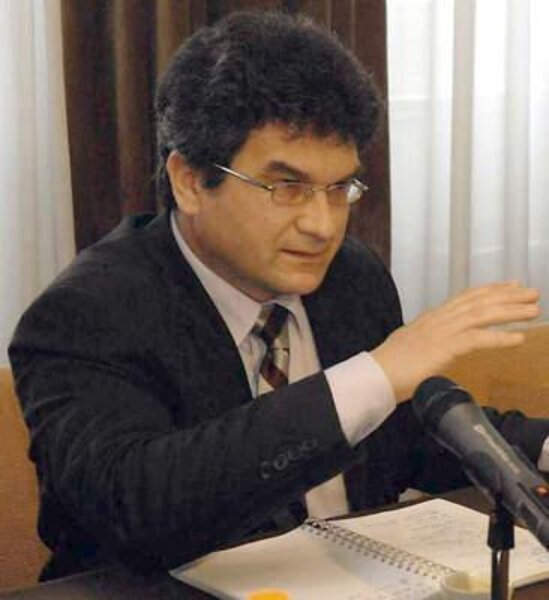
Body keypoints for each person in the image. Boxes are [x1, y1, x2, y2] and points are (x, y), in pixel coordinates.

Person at [9, 10, 547, 582]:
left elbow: (399, 435)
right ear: (190, 181)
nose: (322, 225)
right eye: (287, 187)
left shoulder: (351, 278)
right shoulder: (87, 313)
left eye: (339, 188)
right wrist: (377, 374)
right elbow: (139, 503)